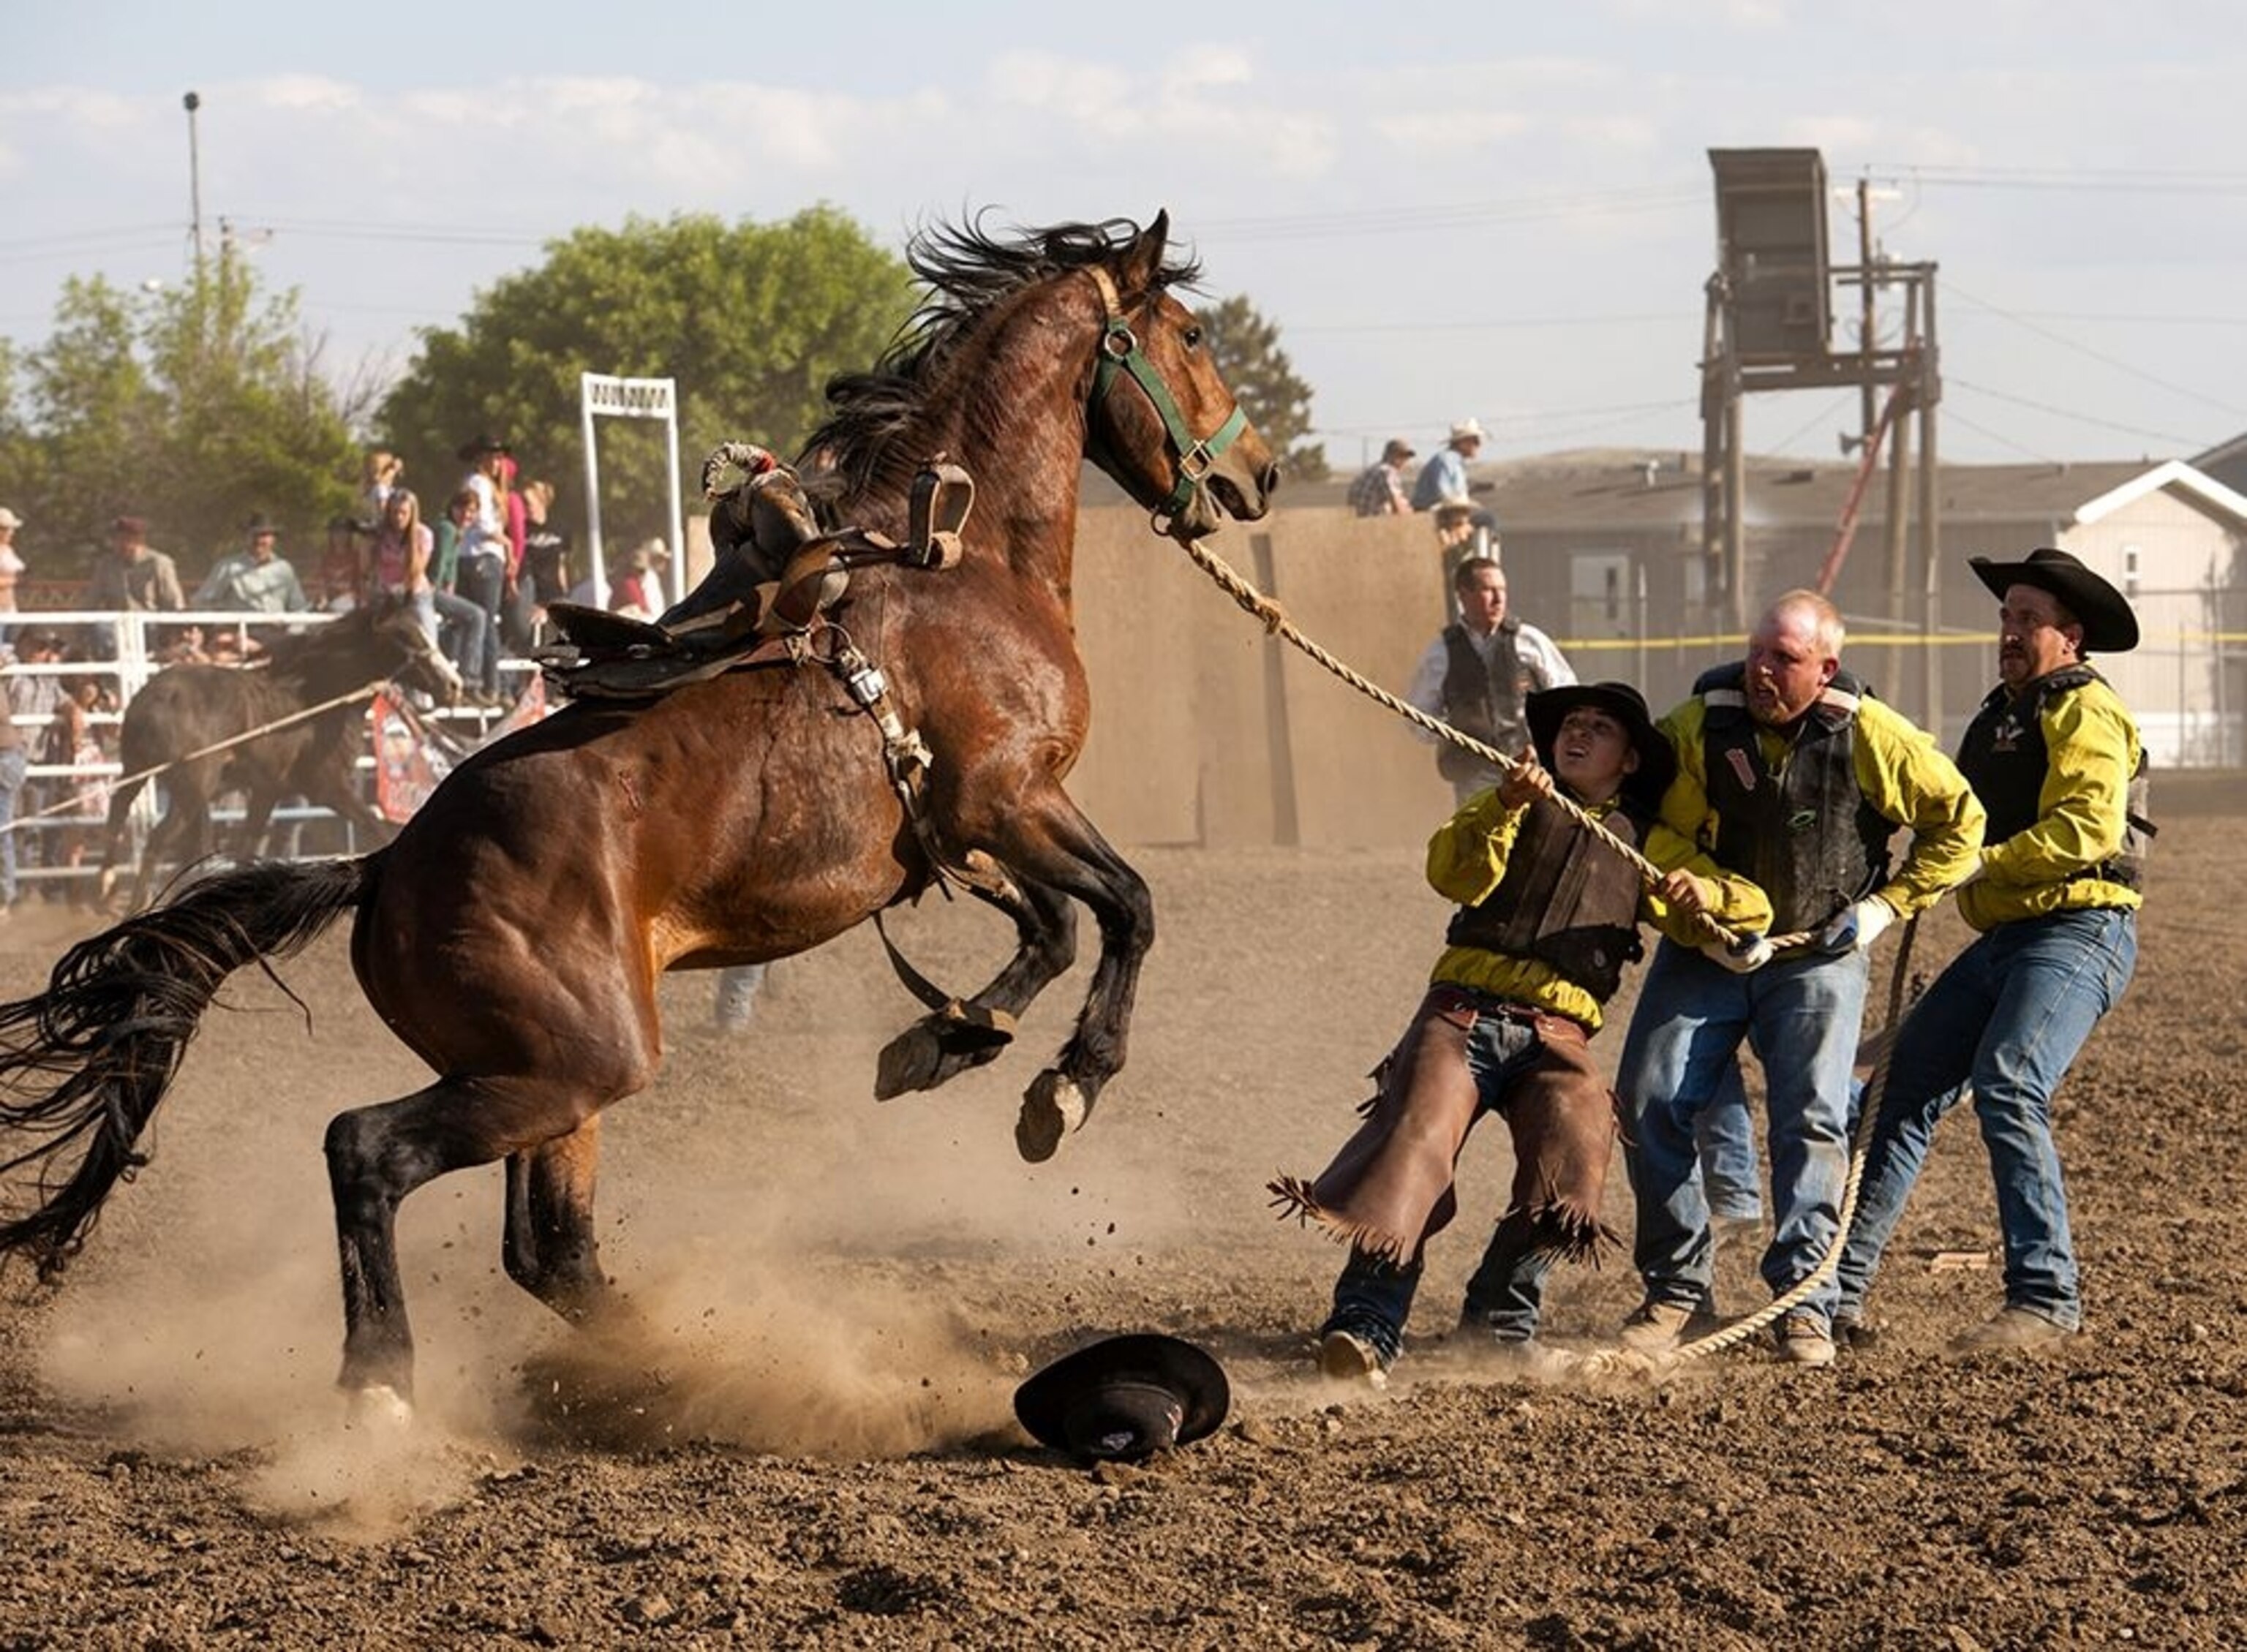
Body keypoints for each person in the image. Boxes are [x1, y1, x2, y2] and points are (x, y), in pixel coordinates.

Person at [1275, 682, 1774, 1385]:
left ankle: (1498, 1328)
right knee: (1414, 1145)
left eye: (1599, 728)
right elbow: (1451, 869)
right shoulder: (1509, 802)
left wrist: (1708, 893)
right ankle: (1364, 1328)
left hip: (1559, 1036)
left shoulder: (1650, 844)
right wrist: (1506, 803)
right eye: (1572, 723)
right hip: (1460, 1015)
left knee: (1574, 1159)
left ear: (1629, 761)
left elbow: (1751, 906)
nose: (1578, 734)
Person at [1614, 589, 1984, 1369]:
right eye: (1757, 653)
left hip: (1819, 954)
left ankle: (1802, 1301)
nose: (1761, 672)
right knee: (1648, 1097)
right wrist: (1712, 908)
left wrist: (1884, 910)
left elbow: (1961, 822)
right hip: (1707, 952)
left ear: (1825, 669)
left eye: (1782, 659)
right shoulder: (1698, 727)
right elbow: (1658, 832)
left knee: (1811, 1120)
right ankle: (1678, 1289)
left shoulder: (1875, 737)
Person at [1834, 549, 2146, 1354]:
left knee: (2010, 1082)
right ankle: (1834, 1293)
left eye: (2027, 620)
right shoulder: (2000, 717)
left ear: (2069, 639)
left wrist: (1981, 864)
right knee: (1899, 1089)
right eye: (2006, 617)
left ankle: (2046, 1299)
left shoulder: (2082, 710)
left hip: (2079, 928)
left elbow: (2088, 829)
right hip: (2011, 937)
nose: (2008, 632)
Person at [1404, 557, 1575, 804]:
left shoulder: (1528, 641)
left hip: (1529, 766)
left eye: (1502, 590)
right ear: (1464, 595)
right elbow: (1417, 716)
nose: (1499, 598)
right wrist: (1452, 733)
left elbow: (1566, 694)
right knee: (1480, 837)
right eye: (1488, 590)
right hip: (1473, 774)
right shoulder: (1441, 652)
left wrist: (1550, 744)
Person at [192, 513, 310, 614]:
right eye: (254, 535)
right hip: (242, 633)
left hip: (279, 633)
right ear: (245, 538)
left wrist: (294, 631)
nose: (259, 540)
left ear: (273, 539)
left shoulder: (284, 569)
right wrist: (228, 616)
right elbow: (201, 602)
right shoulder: (228, 567)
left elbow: (298, 606)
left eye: (264, 535)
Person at [1412, 418, 1485, 513]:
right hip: (1433, 512)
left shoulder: (1455, 462)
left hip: (1445, 510)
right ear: (1462, 443)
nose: (1479, 445)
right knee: (1486, 519)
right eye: (1475, 441)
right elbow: (1445, 494)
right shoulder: (1447, 460)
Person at [1347, 439, 1416, 517]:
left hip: (1355, 522)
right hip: (1374, 523)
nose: (1405, 461)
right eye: (1402, 457)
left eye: (1406, 458)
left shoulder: (1370, 470)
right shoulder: (1388, 471)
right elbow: (1398, 508)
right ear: (1393, 457)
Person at [315, 517, 366, 612]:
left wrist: (359, 598)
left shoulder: (357, 557)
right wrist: (323, 597)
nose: (340, 537)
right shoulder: (325, 558)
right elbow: (321, 582)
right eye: (336, 533)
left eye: (344, 532)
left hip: (351, 604)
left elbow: (361, 582)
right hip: (330, 603)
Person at [0, 506, 26, 636]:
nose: (11, 533)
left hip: (9, 607)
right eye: (8, 529)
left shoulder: (8, 550)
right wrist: (13, 581)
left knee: (8, 646)